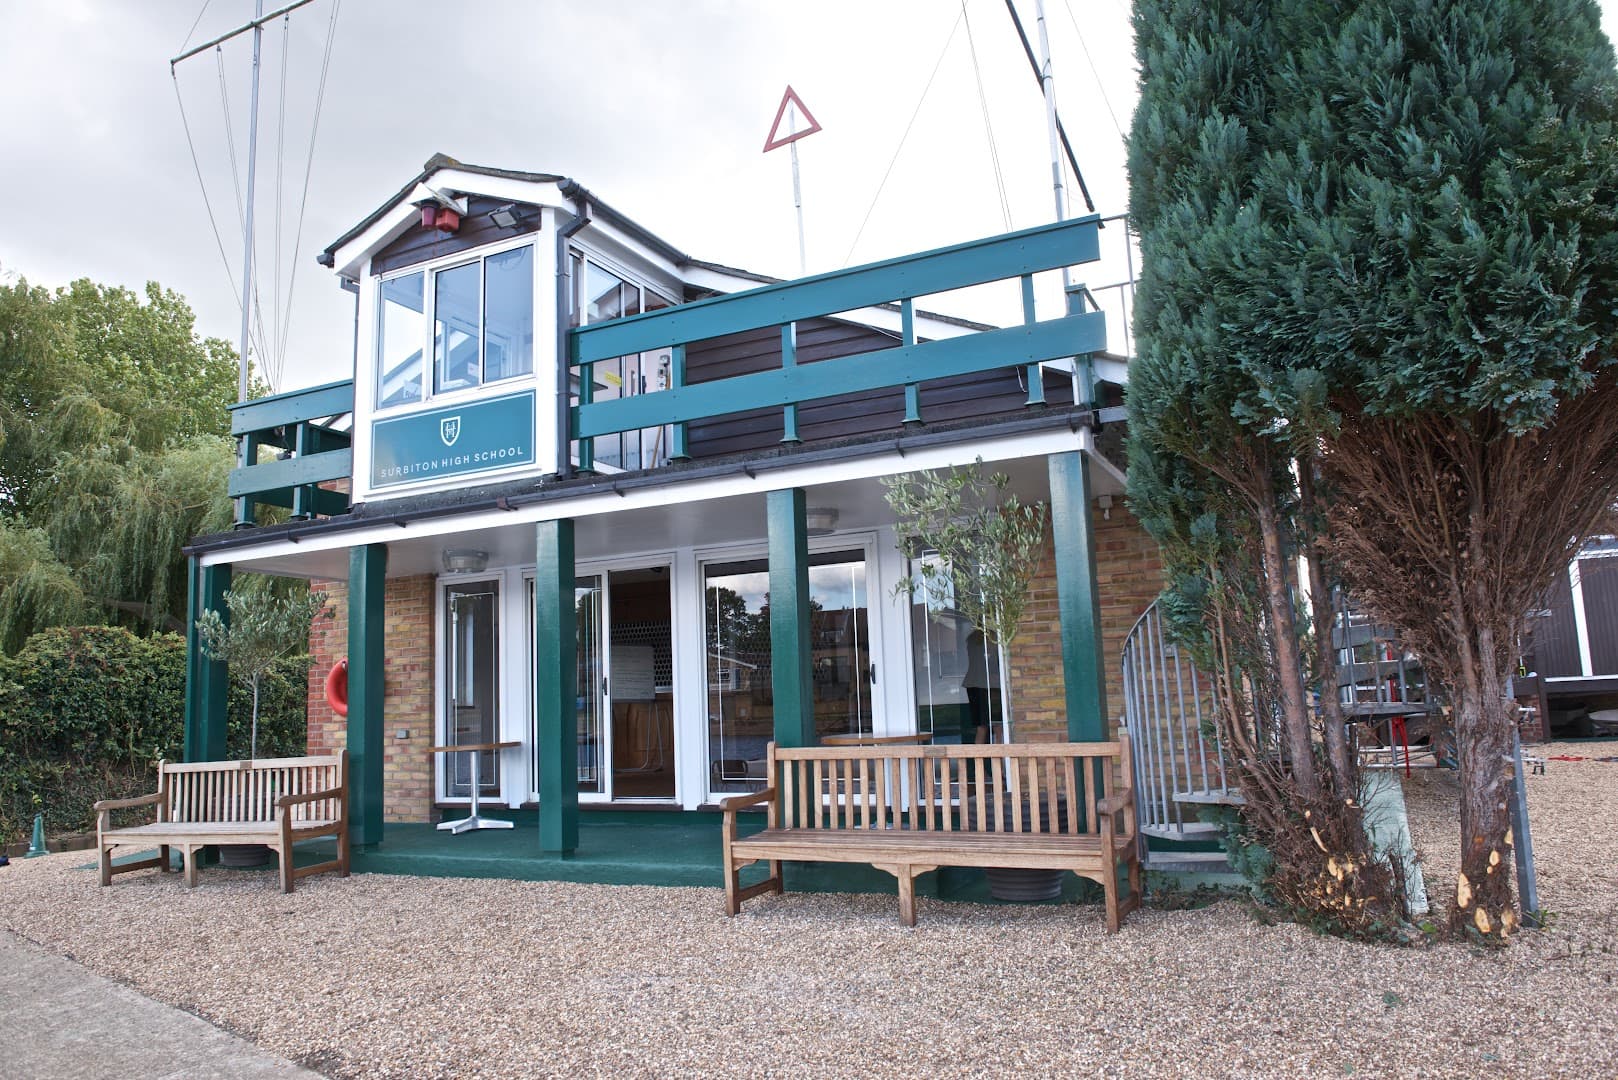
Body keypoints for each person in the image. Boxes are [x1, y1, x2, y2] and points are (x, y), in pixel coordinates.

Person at [963, 626, 999, 745]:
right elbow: (991, 663)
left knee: (981, 727)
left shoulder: (972, 638)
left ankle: (979, 763)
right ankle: (1003, 762)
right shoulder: (990, 637)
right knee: (999, 725)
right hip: (989, 684)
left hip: (973, 683)